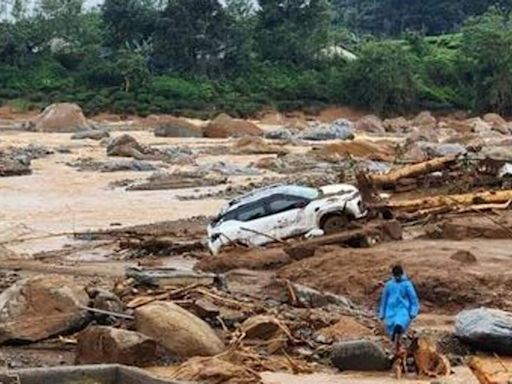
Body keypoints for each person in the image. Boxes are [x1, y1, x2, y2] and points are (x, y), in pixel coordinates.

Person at [379, 264, 420, 352]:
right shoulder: (389, 285)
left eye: (399, 276)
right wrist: (381, 313)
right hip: (390, 311)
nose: (397, 277)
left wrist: (413, 311)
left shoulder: (407, 284)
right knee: (392, 327)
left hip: (403, 310)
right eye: (396, 276)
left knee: (399, 324)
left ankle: (398, 342)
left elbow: (413, 299)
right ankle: (396, 347)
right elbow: (384, 300)